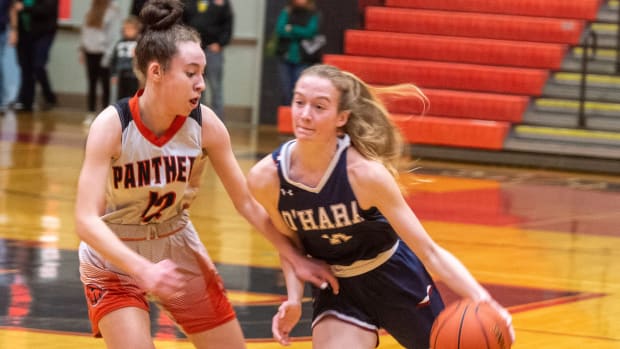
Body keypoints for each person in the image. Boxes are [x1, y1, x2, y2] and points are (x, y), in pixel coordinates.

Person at [74, 1, 337, 348]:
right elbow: (85, 220)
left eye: (202, 72)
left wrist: (292, 254)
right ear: (156, 72)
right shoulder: (113, 125)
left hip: (175, 241)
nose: (201, 83)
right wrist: (142, 269)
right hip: (114, 253)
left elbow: (245, 202)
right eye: (191, 73)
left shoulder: (205, 124)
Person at [247, 64, 515, 348]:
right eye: (299, 102)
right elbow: (291, 247)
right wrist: (293, 298)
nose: (304, 114)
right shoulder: (266, 178)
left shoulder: (365, 175)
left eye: (319, 107)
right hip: (340, 289)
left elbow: (430, 252)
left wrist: (484, 300)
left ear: (342, 118)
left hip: (396, 277)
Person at [182, 0, 233, 120]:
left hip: (213, 51)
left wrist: (220, 43)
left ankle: (217, 121)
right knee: (195, 87)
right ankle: (198, 118)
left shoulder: (222, 3)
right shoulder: (189, 3)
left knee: (216, 87)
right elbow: (184, 22)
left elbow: (228, 24)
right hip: (194, 50)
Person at [11, 0, 58, 112]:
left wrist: (25, 8)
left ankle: (49, 96)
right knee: (25, 67)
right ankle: (26, 102)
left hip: (43, 33)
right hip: (24, 34)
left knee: (38, 65)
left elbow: (47, 10)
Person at [79, 0, 121, 126]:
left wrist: (108, 56)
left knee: (105, 86)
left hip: (103, 54)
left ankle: (105, 115)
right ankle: (90, 112)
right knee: (91, 84)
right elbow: (84, 31)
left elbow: (113, 35)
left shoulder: (113, 11)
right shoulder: (90, 10)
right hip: (89, 52)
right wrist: (81, 50)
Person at [274, 0, 323, 106]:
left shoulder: (313, 14)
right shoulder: (287, 11)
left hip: (303, 58)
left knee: (300, 90)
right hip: (285, 56)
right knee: (286, 90)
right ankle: (287, 117)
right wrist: (299, 32)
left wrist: (291, 29)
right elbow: (280, 30)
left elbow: (310, 32)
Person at [109, 15, 142, 101]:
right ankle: (121, 112)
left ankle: (132, 112)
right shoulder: (119, 43)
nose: (128, 31)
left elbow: (143, 59)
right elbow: (114, 59)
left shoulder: (140, 43)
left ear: (137, 30)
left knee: (132, 97)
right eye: (126, 29)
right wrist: (113, 74)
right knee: (120, 96)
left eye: (131, 29)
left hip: (134, 75)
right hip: (121, 74)